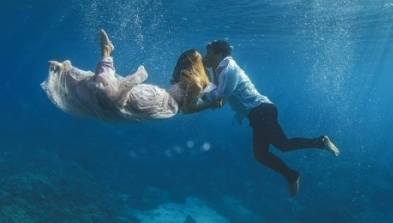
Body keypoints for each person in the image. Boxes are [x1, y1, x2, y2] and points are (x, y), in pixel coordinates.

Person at [202, 40, 340, 197]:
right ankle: (291, 175)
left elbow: (220, 95)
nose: (206, 56)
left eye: (209, 53)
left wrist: (198, 94)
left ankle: (321, 142)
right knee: (260, 154)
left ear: (219, 54)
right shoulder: (222, 68)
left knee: (283, 144)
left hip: (262, 111)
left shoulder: (229, 69)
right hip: (257, 113)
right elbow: (220, 89)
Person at [41, 30, 218, 123]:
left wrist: (211, 104)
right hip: (157, 98)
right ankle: (97, 57)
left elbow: (187, 109)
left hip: (160, 101)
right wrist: (211, 103)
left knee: (104, 97)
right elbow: (192, 105)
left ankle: (81, 66)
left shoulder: (194, 82)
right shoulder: (194, 81)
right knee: (105, 93)